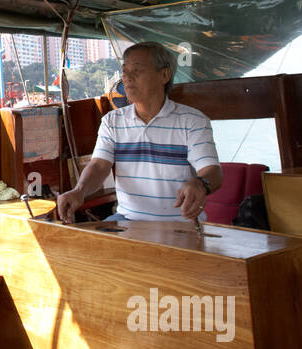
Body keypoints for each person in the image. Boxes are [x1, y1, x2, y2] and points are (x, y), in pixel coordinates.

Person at [57, 42, 222, 223]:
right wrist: (79, 191)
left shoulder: (192, 121)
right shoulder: (112, 121)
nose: (126, 77)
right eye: (124, 71)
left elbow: (212, 171)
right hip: (128, 220)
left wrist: (200, 184)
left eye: (136, 70)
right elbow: (99, 166)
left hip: (180, 224)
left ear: (164, 75)